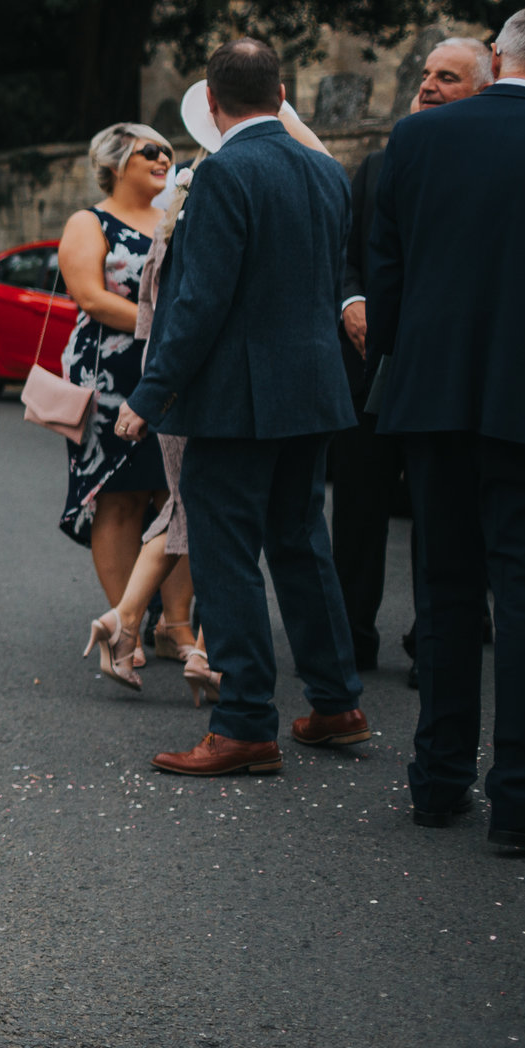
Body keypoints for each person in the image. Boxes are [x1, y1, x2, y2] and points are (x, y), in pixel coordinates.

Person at [367, 1, 525, 855]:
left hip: (428, 397)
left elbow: (385, 274)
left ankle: (437, 779)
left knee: (445, 583)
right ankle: (523, 796)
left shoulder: (416, 140)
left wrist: (397, 368)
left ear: (497, 59)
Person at [116, 39, 366, 776]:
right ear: (283, 91)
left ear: (214, 104)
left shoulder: (224, 173)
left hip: (235, 400)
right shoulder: (327, 173)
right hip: (314, 390)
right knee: (299, 542)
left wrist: (150, 392)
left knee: (225, 553)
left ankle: (245, 721)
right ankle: (336, 701)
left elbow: (199, 301)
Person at [334, 40, 492, 677]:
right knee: (356, 511)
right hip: (369, 365)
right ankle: (347, 640)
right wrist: (350, 299)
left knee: (441, 513)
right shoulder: (376, 164)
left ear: (483, 91)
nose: (426, 85)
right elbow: (344, 252)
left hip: (446, 373)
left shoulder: (493, 169)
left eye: (446, 77)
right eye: (425, 74)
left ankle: (436, 641)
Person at [62, 124, 189, 679]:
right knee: (117, 497)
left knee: (176, 497)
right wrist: (165, 326)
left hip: (173, 371)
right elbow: (89, 295)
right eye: (150, 151)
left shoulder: (177, 218)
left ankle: (175, 626)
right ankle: (125, 621)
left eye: (168, 150)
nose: (165, 157)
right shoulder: (89, 222)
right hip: (109, 373)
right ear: (116, 163)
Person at [99, 169, 217, 700]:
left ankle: (124, 620)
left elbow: (148, 318)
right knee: (220, 512)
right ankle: (212, 651)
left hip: (165, 377)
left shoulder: (167, 230)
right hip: (203, 381)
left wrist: (151, 390)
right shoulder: (214, 222)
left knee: (184, 506)